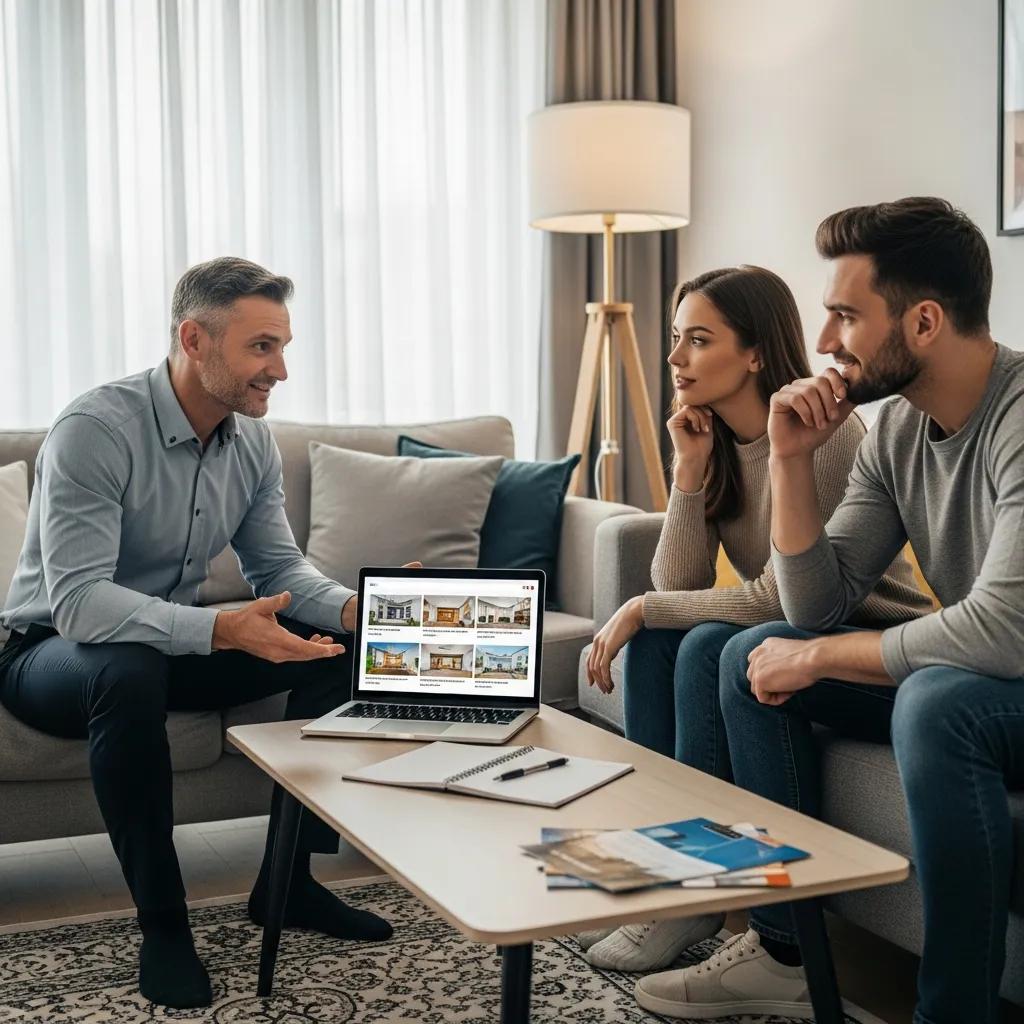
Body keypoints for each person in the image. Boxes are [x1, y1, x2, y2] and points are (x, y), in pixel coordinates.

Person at [633, 197, 1024, 1023]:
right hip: (978, 676)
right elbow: (812, 604)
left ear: (922, 322)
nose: (821, 342)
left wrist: (814, 659)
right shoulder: (894, 432)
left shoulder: (1019, 417)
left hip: (998, 681)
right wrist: (788, 458)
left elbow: (1005, 627)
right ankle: (785, 950)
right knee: (741, 656)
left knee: (937, 700)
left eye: (845, 315)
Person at [0, 258, 411, 1010]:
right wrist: (220, 629)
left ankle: (290, 885)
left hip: (167, 648)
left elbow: (280, 569)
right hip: (48, 654)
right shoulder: (96, 430)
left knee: (338, 652)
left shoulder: (251, 443)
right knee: (124, 670)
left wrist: (363, 610)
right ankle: (164, 928)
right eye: (262, 347)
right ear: (195, 339)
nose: (281, 369)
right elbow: (81, 607)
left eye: (283, 346)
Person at [580, 265, 930, 973]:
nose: (675, 358)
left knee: (708, 639)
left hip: (871, 652)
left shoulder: (822, 436)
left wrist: (643, 607)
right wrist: (689, 469)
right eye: (676, 339)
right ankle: (672, 880)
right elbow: (675, 581)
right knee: (663, 641)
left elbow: (782, 598)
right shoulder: (719, 442)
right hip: (799, 640)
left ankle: (753, 926)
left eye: (698, 341)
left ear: (756, 353)